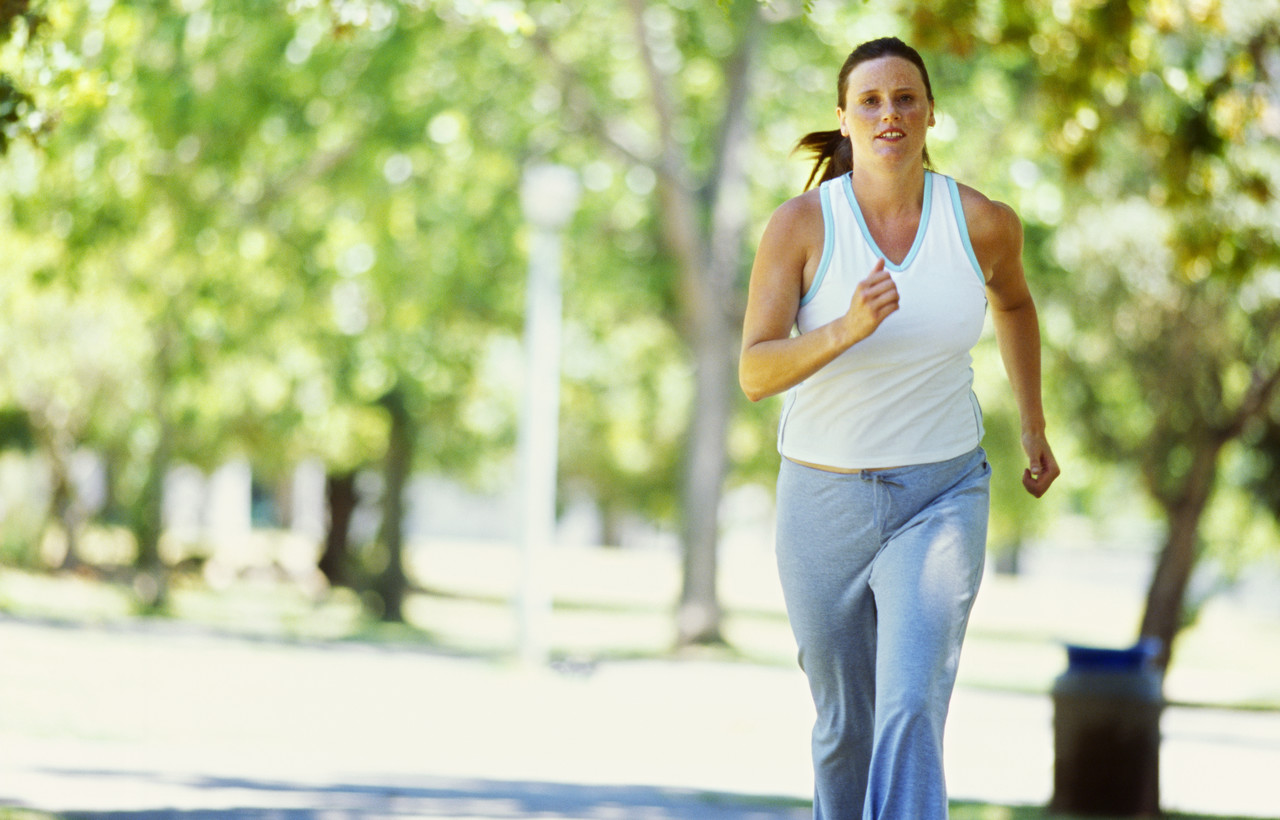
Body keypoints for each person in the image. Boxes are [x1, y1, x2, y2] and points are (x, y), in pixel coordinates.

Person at [739, 36, 1060, 820]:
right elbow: (755, 373)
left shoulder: (981, 223)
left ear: (930, 114)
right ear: (844, 118)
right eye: (871, 100)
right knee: (844, 728)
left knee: (911, 706)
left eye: (906, 98)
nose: (890, 113)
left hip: (940, 496)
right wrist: (844, 329)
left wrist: (1033, 425)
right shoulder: (800, 227)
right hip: (823, 500)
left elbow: (1015, 304)